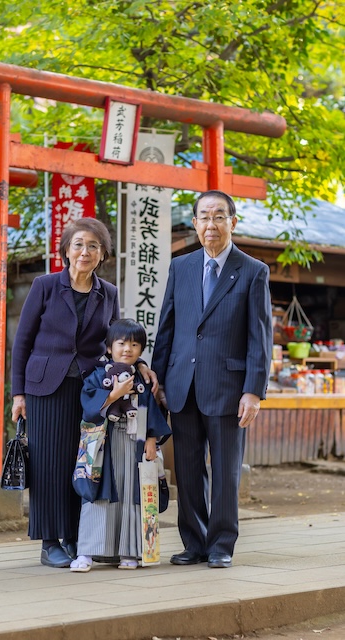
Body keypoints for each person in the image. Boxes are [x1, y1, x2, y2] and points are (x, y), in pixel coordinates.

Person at [11, 219, 157, 569]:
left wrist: (139, 365)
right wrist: (18, 394)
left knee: (86, 462)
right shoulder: (44, 286)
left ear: (102, 254)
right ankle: (50, 541)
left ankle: (80, 537)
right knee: (49, 462)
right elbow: (22, 342)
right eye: (78, 244)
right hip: (46, 387)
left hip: (92, 389)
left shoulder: (108, 292)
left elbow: (119, 339)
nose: (85, 252)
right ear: (66, 250)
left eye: (93, 246)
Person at [152, 190, 272, 569]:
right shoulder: (181, 267)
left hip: (229, 388)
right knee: (187, 470)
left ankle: (221, 544)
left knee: (225, 472)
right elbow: (167, 327)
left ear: (232, 223)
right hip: (181, 386)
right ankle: (194, 541)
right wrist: (157, 379)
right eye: (204, 216)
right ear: (195, 222)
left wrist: (253, 390)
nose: (211, 224)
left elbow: (260, 336)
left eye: (219, 216)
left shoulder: (252, 270)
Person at [70, 318, 171, 572]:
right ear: (109, 348)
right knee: (98, 494)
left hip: (135, 441)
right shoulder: (97, 376)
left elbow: (150, 410)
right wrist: (113, 394)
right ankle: (87, 552)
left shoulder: (142, 379)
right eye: (122, 343)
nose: (128, 349)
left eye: (135, 345)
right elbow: (88, 406)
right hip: (103, 442)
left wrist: (151, 439)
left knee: (132, 493)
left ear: (140, 351)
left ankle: (130, 551)